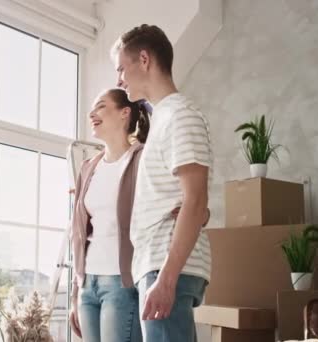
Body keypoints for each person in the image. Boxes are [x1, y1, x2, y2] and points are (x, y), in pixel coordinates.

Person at [68, 88, 209, 342]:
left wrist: (200, 213)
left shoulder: (144, 157)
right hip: (88, 284)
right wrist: (76, 292)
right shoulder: (89, 167)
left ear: (124, 113)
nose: (92, 113)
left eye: (101, 106)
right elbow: (79, 232)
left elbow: (189, 198)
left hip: (122, 283)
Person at [112, 24, 214, 342]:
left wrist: (166, 279)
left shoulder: (180, 115)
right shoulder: (163, 119)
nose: (119, 79)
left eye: (121, 68)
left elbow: (195, 201)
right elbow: (192, 203)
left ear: (144, 59)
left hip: (165, 266)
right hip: (157, 265)